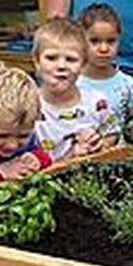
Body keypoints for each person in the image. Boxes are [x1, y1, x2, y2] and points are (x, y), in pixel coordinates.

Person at [31, 18, 113, 161]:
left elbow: (112, 134)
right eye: (51, 58)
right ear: (37, 61)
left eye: (71, 59)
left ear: (83, 65)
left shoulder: (96, 102)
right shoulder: (29, 107)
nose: (61, 66)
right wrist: (71, 156)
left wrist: (98, 146)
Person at [78, 3, 133, 139]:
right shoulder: (73, 84)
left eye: (111, 41)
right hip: (81, 155)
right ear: (80, 41)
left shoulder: (127, 85)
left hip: (120, 156)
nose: (103, 48)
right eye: (94, 41)